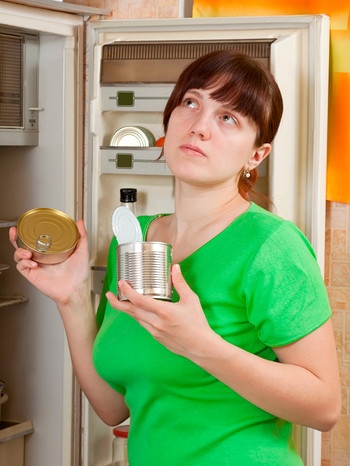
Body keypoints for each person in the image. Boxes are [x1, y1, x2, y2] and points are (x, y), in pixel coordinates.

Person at [10, 51, 340, 465]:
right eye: (191, 102)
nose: (199, 126)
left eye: (228, 118)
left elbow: (324, 409)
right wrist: (71, 298)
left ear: (256, 155)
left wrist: (201, 346)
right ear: (167, 122)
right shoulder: (134, 239)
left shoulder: (271, 246)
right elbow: (115, 407)